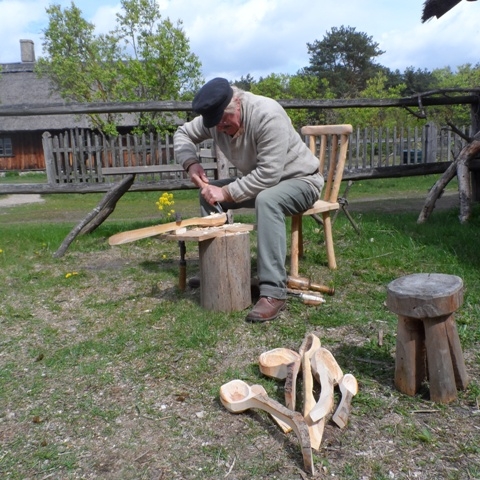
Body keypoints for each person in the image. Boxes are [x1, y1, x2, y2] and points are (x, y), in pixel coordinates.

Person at [174, 77, 324, 322]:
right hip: (265, 185)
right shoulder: (215, 119)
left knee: (267, 200)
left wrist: (227, 192)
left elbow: (269, 174)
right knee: (208, 196)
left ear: (237, 103)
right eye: (216, 125)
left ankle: (274, 292)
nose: (221, 129)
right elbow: (182, 133)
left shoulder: (268, 114)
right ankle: (217, 270)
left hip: (303, 181)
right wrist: (190, 163)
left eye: (225, 122)